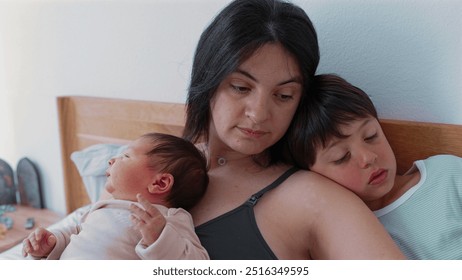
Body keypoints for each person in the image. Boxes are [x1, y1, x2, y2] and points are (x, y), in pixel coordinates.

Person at [183, 0, 405, 259]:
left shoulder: (314, 199)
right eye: (241, 88)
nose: (259, 114)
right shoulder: (153, 158)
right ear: (208, 79)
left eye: (284, 95)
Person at [298, 73, 462, 259]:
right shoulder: (342, 235)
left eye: (371, 136)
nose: (368, 157)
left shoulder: (446, 175)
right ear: (311, 177)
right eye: (341, 157)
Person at [22, 132, 209, 260]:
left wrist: (160, 238)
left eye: (126, 156)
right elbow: (77, 231)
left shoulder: (169, 219)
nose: (112, 160)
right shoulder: (102, 207)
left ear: (159, 183)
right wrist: (52, 242)